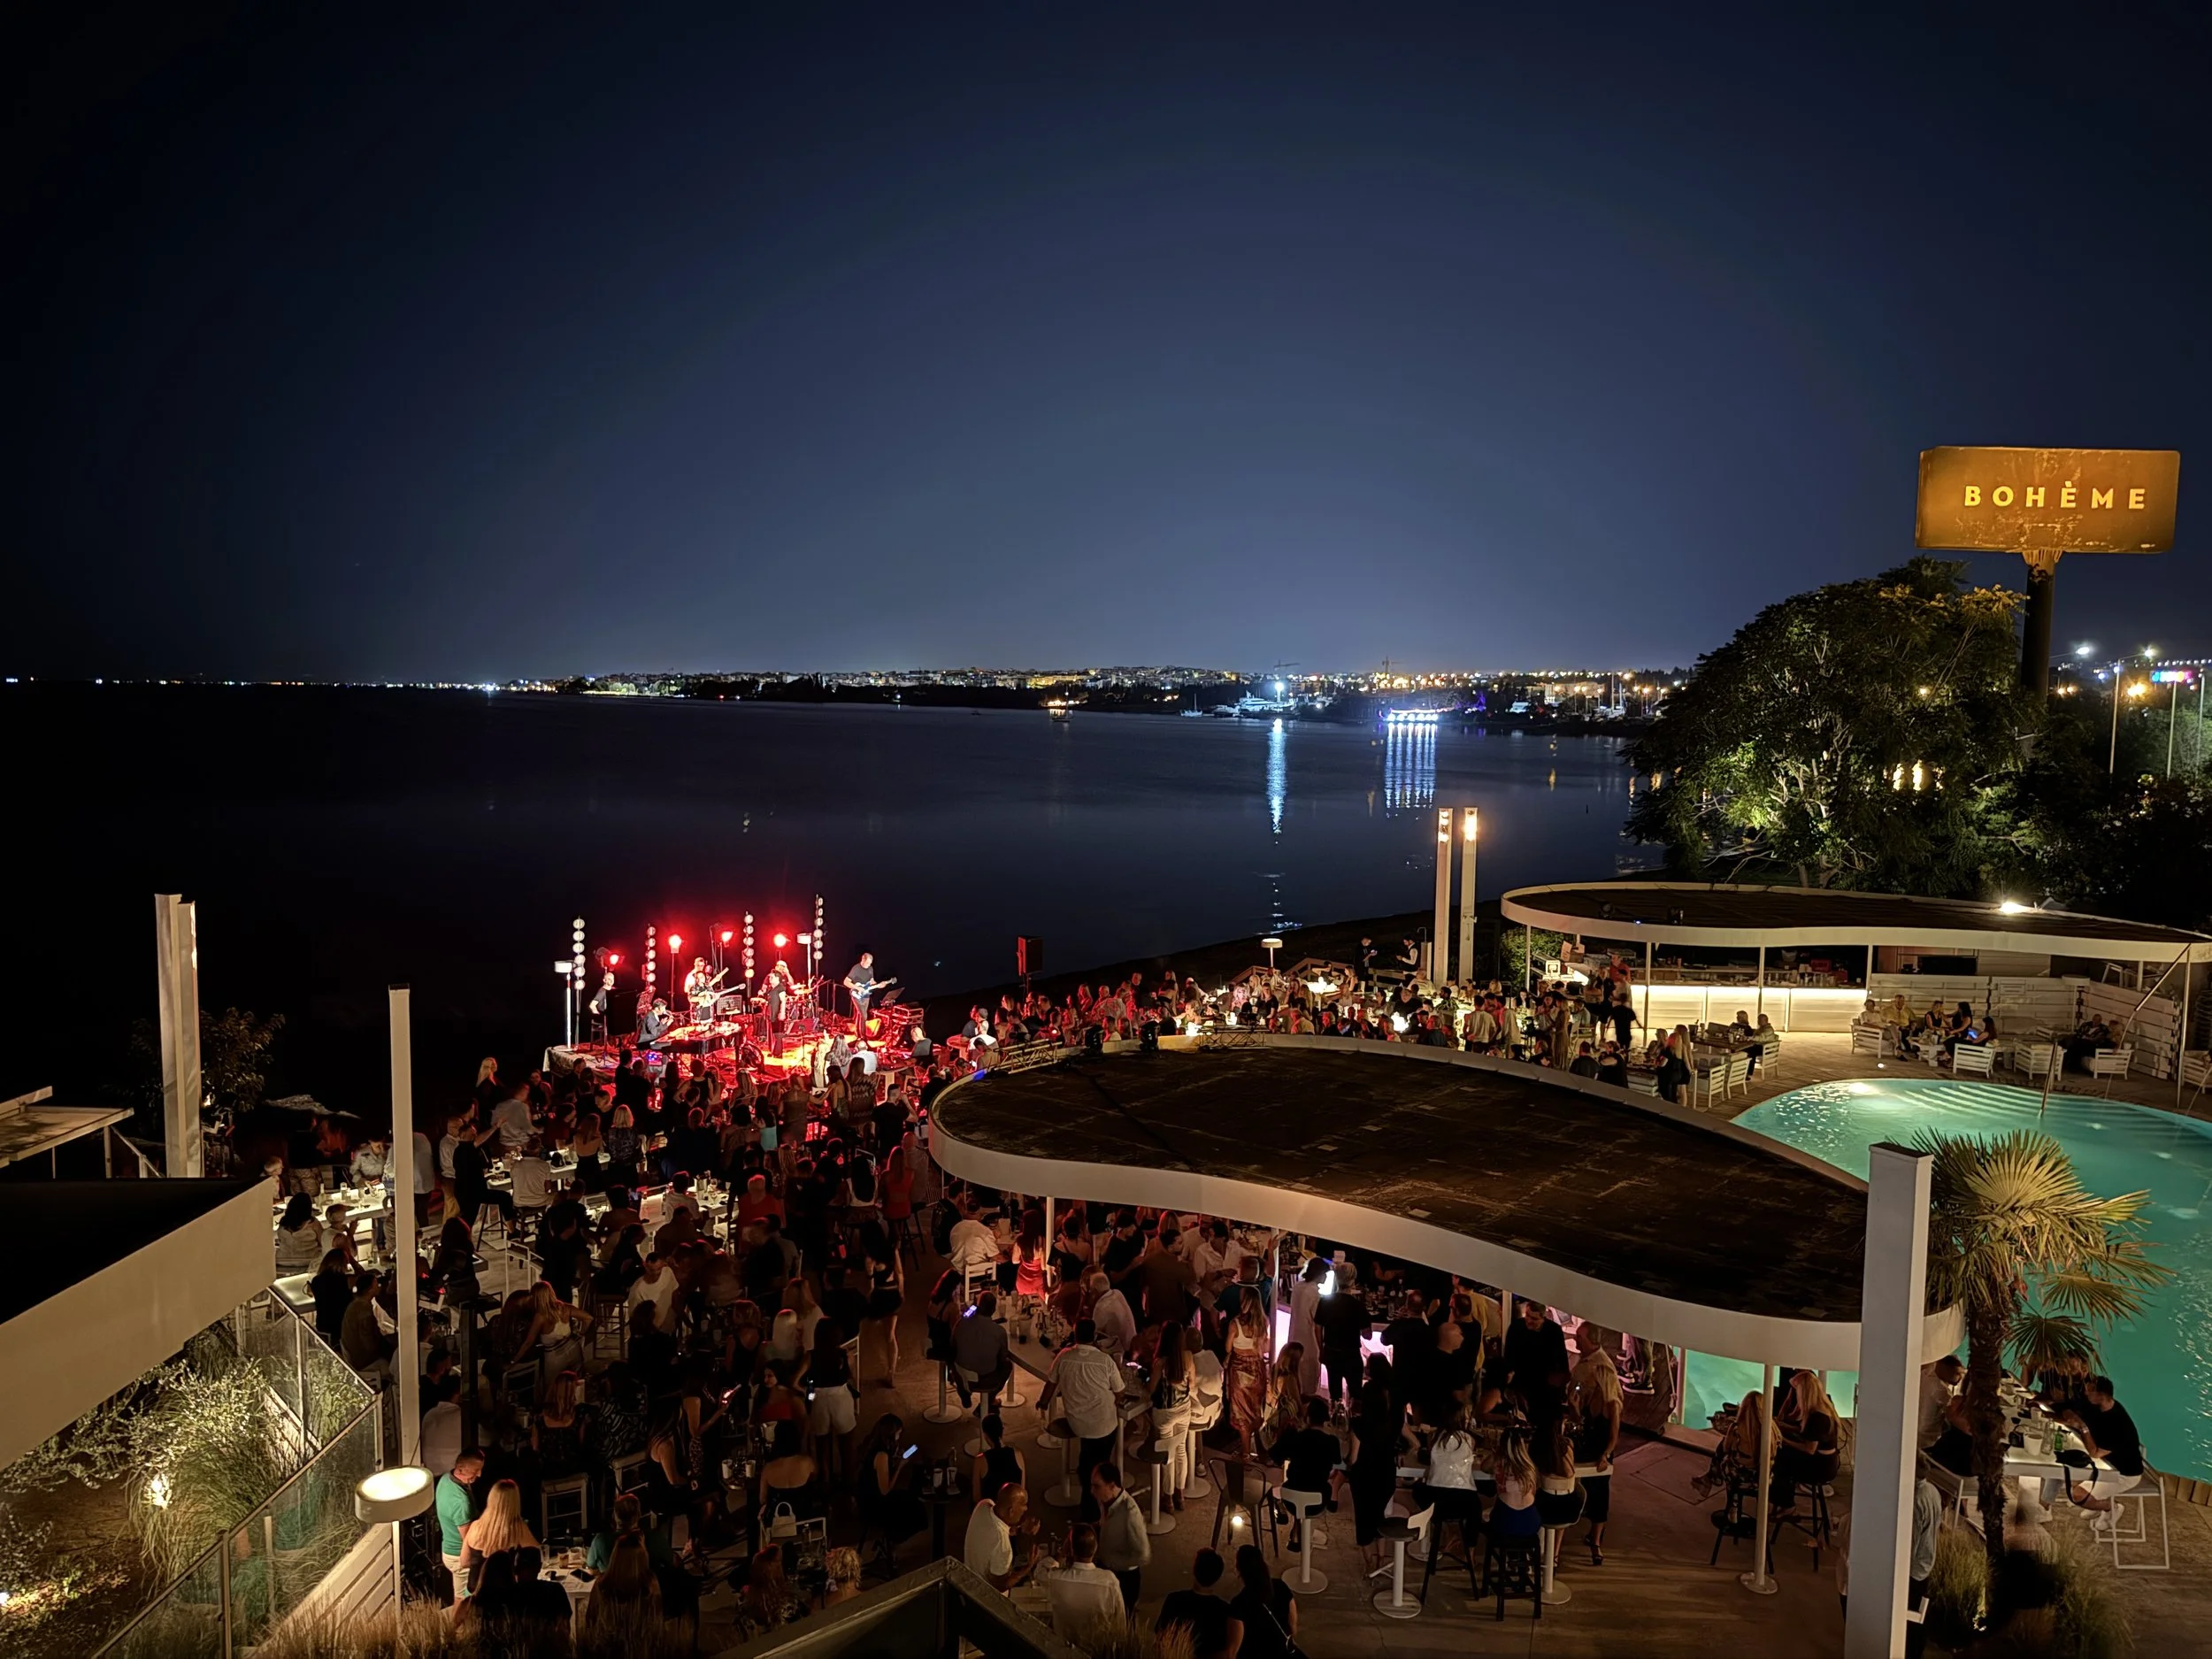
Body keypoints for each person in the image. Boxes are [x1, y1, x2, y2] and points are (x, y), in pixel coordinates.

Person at [1037, 1319, 1125, 1501]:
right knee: (1100, 1459)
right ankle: (1097, 1496)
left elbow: (1050, 1386)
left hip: (1077, 1424)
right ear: (1094, 1337)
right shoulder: (1105, 1361)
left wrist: (1043, 1403)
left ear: (1074, 1335)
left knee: (1088, 1453)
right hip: (1104, 1425)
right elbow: (1120, 1393)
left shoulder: (1063, 1356)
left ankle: (1087, 1479)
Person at [1571, 1339, 1624, 1564]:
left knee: (1601, 1490)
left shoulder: (1612, 1405)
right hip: (1587, 1445)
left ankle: (1596, 1541)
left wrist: (1605, 1454)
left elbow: (1614, 1437)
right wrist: (1575, 1409)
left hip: (1603, 1449)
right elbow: (1580, 1424)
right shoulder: (1590, 1398)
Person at [2063, 1374, 2146, 1513]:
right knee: (2070, 1477)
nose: (2086, 1393)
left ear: (2100, 1395)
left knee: (2078, 1496)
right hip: (2105, 1465)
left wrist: (2083, 1428)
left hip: (2124, 1474)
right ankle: (2097, 1499)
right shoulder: (2100, 1408)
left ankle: (2111, 1507)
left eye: (2090, 1391)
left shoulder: (2118, 1424)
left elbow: (2095, 1453)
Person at [1034, 1524, 1125, 1639]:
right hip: (1097, 1652)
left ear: (1071, 1549)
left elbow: (1039, 1572)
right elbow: (1120, 1622)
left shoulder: (1056, 1578)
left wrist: (1062, 1552)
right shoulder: (1109, 1581)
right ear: (1096, 1547)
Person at [1156, 1548, 1243, 1659]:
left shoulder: (1174, 1600)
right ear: (1218, 1576)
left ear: (1194, 1571)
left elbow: (1160, 1638)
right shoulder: (1225, 1610)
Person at [459, 1478, 538, 1597]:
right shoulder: (518, 1528)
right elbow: (537, 1552)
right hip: (502, 1594)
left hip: (473, 1593)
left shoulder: (475, 1526)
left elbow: (464, 1562)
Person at [1090, 1462, 1150, 1611]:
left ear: (1112, 1486)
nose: (1092, 1491)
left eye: (1097, 1486)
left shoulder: (1131, 1515)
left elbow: (1143, 1555)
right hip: (1107, 1570)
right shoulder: (1106, 1500)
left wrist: (1113, 1563)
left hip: (1125, 1579)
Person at [963, 1479, 1041, 1593]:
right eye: (1023, 1506)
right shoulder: (1003, 1547)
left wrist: (1020, 1530)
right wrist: (1028, 1568)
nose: (1026, 1509)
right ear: (1011, 1511)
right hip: (983, 1597)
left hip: (969, 1580)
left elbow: (997, 1526)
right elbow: (1000, 1586)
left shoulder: (984, 1505)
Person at [1227, 1543, 1297, 1659]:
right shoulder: (1281, 1587)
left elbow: (1232, 1652)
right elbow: (1292, 1624)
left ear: (1239, 1569)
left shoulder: (1239, 1605)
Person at [436, 1451, 485, 1604]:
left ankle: (456, 1626)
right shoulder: (461, 1503)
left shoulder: (446, 1479)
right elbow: (469, 1540)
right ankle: (459, 1626)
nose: (480, 1475)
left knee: (460, 1596)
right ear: (460, 1468)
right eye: (475, 1471)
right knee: (467, 1600)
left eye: (481, 1469)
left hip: (449, 1550)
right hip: (460, 1555)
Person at [275, 1193, 322, 1273]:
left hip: (283, 1260)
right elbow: (323, 1241)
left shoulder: (283, 1223)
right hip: (309, 1259)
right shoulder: (313, 1223)